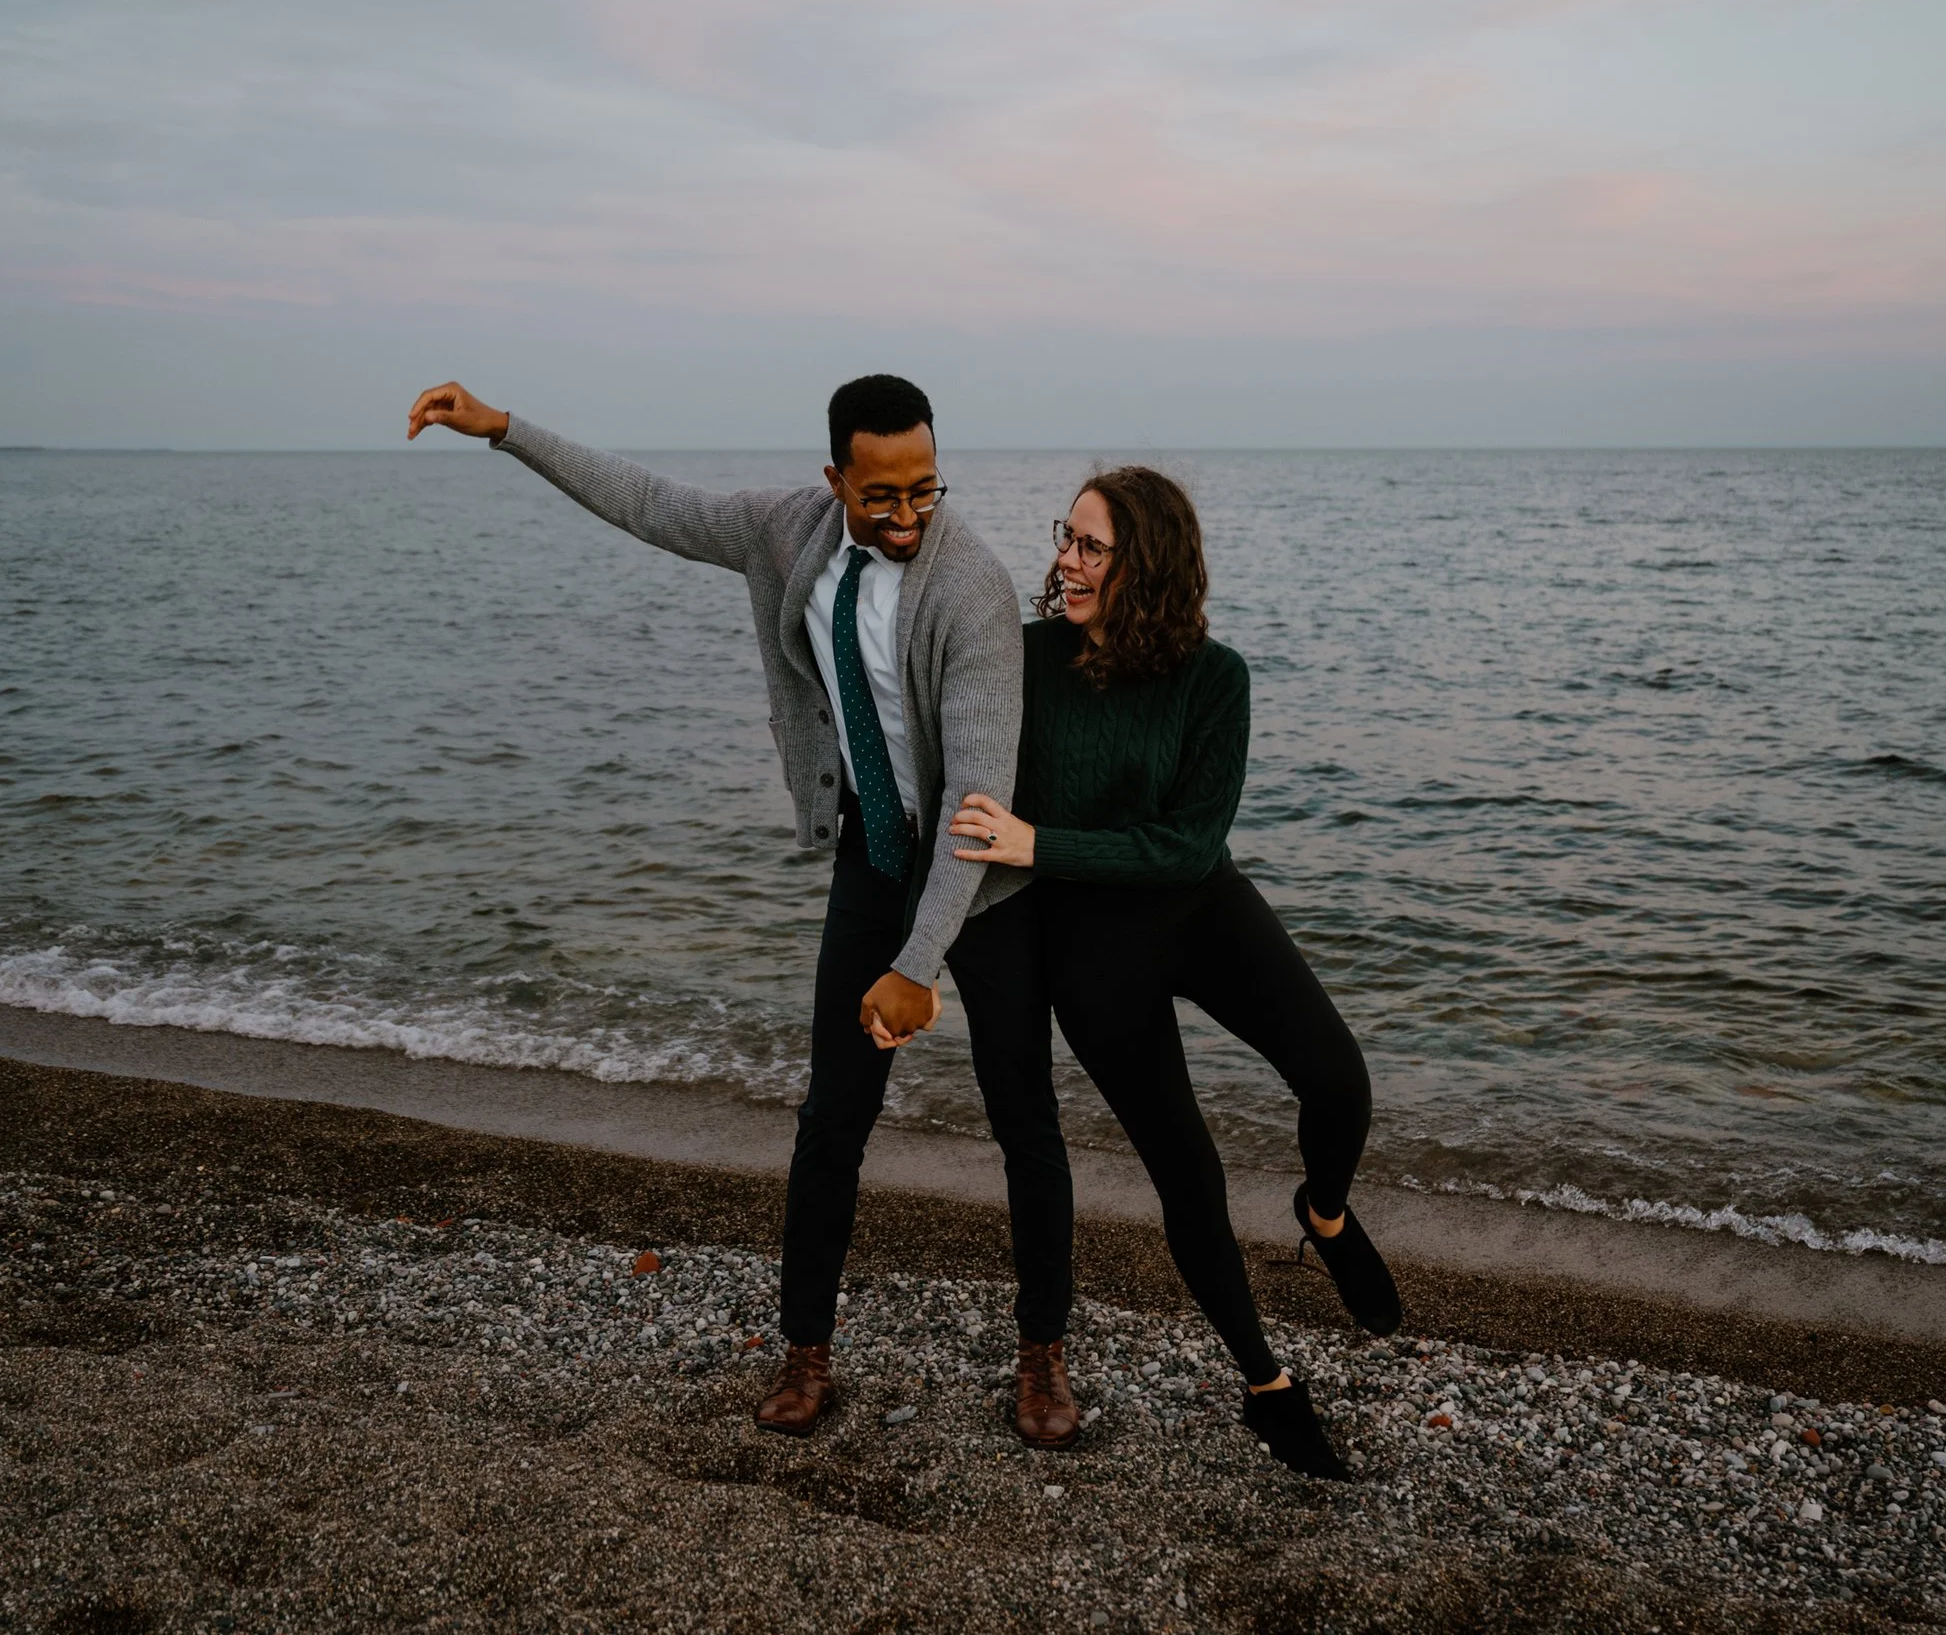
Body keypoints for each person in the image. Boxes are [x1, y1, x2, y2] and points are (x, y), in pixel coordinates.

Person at [407, 375, 1082, 1448]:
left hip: (983, 875)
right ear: (835, 481)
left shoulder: (973, 592)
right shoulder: (785, 529)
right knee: (832, 1117)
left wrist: (919, 965)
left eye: (926, 491)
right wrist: (503, 431)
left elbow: (976, 807)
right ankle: (807, 1348)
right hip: (872, 848)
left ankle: (1041, 1351)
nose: (908, 518)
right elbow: (649, 502)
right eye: (882, 498)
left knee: (1022, 1118)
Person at [948, 465, 1400, 1481]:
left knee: (1337, 1077)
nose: (1063, 559)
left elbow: (1187, 846)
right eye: (1062, 537)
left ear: (1143, 563)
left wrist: (1037, 843)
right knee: (1186, 1169)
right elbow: (931, 732)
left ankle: (1323, 1214)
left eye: (1088, 546)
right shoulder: (1021, 661)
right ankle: (1262, 1381)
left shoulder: (1215, 676)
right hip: (1091, 954)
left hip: (1201, 911)